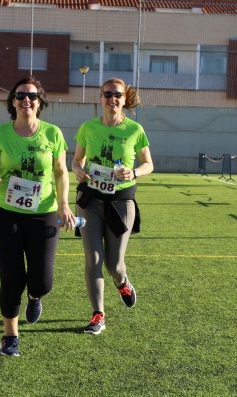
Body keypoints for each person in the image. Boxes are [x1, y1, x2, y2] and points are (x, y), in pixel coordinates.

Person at [0, 77, 76, 356]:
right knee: (11, 277)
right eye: (20, 96)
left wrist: (64, 204)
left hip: (43, 214)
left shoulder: (52, 134)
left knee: (43, 281)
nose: (26, 100)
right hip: (4, 214)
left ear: (40, 101)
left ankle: (34, 296)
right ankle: (10, 334)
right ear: (12, 101)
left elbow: (60, 172)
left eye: (32, 96)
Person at [71, 77, 154, 335]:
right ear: (100, 98)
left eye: (117, 94)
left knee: (114, 264)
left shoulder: (134, 130)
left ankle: (123, 282)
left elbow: (149, 164)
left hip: (120, 202)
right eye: (107, 94)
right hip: (90, 202)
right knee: (92, 259)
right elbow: (76, 160)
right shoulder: (88, 128)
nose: (112, 98)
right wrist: (78, 171)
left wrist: (134, 173)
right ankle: (98, 315)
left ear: (124, 99)